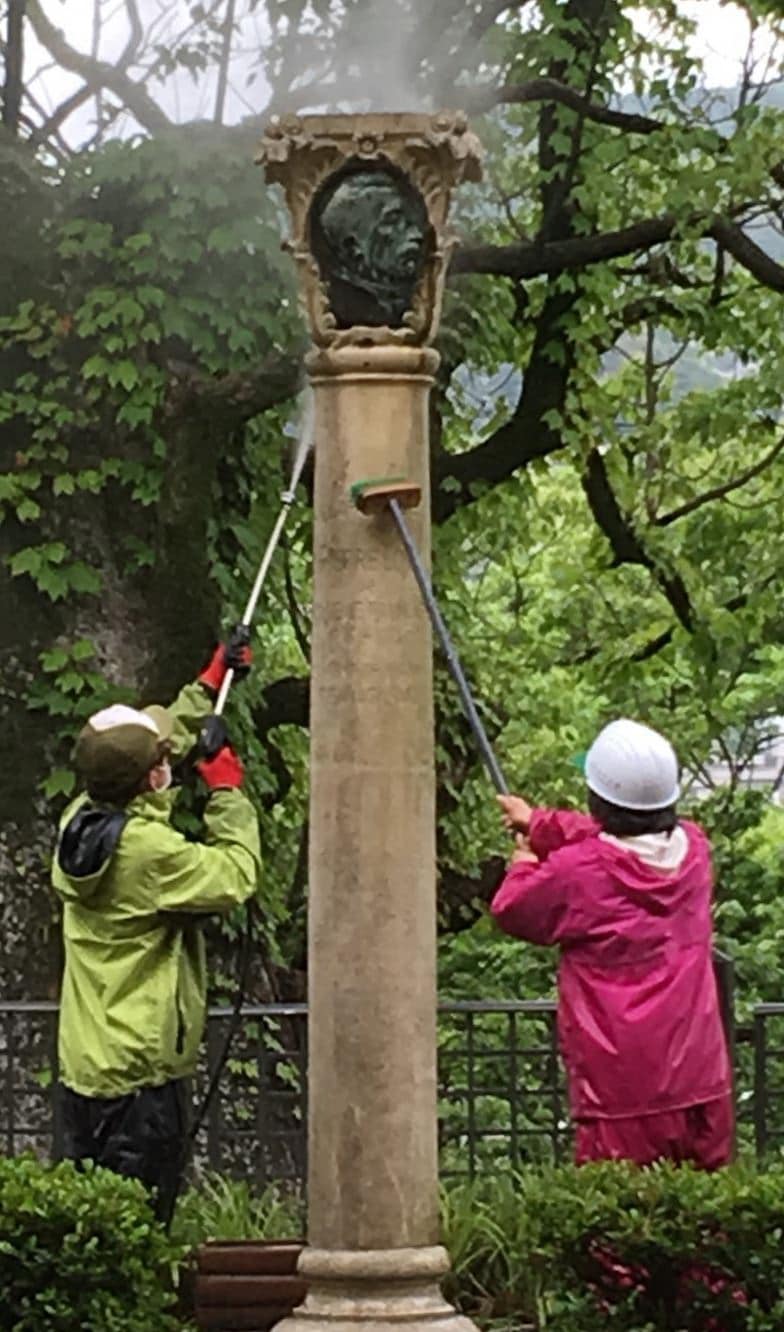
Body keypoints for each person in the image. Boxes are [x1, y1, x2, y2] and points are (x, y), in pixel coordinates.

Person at [51, 630, 261, 1225]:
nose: (169, 765)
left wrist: (210, 680)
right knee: (141, 1229)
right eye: (163, 763)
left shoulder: (80, 817)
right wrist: (226, 793)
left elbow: (152, 728)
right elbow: (235, 874)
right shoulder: (148, 854)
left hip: (85, 1072)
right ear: (150, 780)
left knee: (88, 1230)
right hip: (141, 1082)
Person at [491, 718, 734, 1170]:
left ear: (598, 799)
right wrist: (540, 822)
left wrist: (524, 862)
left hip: (619, 1087)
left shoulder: (577, 872)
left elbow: (514, 909)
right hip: (701, 1078)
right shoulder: (695, 851)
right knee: (708, 1224)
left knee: (617, 1225)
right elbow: (613, 839)